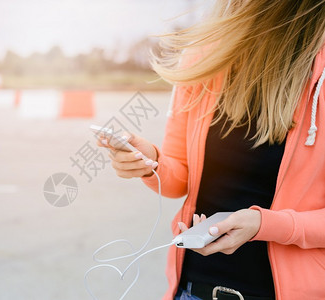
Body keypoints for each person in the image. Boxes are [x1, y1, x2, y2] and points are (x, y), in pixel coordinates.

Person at [97, 1, 325, 299]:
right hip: (193, 290)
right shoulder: (204, 56)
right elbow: (179, 177)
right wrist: (149, 161)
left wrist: (265, 225)